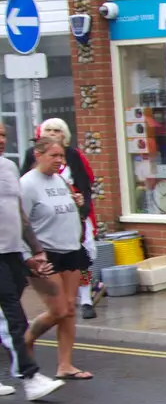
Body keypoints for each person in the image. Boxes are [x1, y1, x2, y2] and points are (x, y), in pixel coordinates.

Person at [0, 123, 65, 400]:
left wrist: (35, 250)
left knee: (6, 318)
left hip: (12, 251)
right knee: (14, 317)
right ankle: (30, 378)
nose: (1, 140)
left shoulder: (9, 168)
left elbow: (19, 213)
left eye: (3, 135)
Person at [21, 139, 94, 380]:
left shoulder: (61, 180)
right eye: (54, 156)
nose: (60, 161)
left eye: (62, 157)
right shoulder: (28, 184)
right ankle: (25, 341)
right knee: (58, 310)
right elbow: (21, 223)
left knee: (70, 309)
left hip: (70, 250)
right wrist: (29, 256)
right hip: (45, 254)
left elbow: (66, 208)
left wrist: (77, 203)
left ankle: (65, 365)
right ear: (38, 154)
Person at [26, 119, 99, 319]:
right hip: (47, 233)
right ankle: (27, 337)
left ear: (64, 135)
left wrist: (81, 208)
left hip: (73, 218)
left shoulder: (74, 156)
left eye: (56, 130)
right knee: (60, 310)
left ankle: (86, 299)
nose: (52, 133)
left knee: (83, 259)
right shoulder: (30, 173)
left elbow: (85, 184)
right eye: (48, 129)